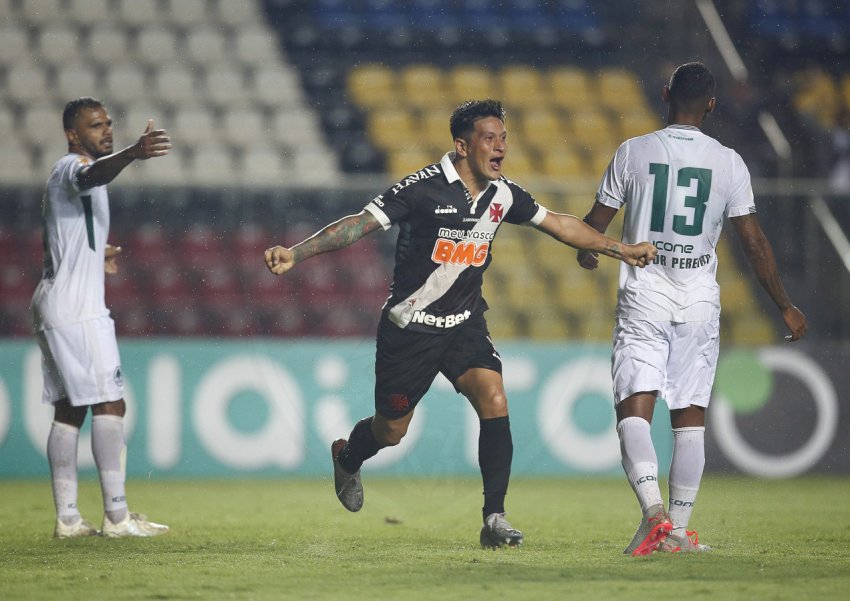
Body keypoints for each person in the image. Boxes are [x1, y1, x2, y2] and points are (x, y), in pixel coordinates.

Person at [265, 99, 658, 548]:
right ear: (462, 145)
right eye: (490, 139)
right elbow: (357, 225)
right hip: (410, 327)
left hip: (464, 323)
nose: (501, 147)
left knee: (494, 397)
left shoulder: (504, 195)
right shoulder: (421, 189)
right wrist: (295, 253)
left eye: (503, 138)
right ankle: (348, 456)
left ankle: (495, 518)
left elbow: (561, 225)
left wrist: (619, 249)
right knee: (390, 431)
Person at [577, 62, 808, 556]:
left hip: (646, 292)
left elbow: (595, 224)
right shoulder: (729, 161)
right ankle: (677, 531)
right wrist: (784, 305)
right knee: (689, 418)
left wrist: (587, 248)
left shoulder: (632, 151)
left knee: (633, 407)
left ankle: (654, 515)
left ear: (665, 94)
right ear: (711, 104)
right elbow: (753, 241)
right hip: (699, 298)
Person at [30, 97, 172, 538]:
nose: (105, 131)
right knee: (111, 403)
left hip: (56, 301)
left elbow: (63, 234)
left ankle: (69, 519)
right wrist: (132, 152)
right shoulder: (71, 165)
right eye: (95, 126)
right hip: (78, 310)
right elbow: (91, 173)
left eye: (108, 124)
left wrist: (97, 255)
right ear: (74, 134)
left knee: (70, 409)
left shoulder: (70, 178)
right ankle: (117, 516)